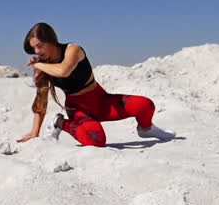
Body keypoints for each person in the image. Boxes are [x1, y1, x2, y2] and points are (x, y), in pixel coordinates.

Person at [17, 22, 175, 147]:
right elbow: (41, 100)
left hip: (101, 100)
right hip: (78, 108)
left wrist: (38, 65)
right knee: (96, 140)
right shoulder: (44, 67)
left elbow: (64, 70)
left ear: (51, 40)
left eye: (39, 45)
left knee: (145, 105)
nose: (37, 51)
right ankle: (59, 122)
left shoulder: (73, 50)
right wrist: (34, 132)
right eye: (33, 48)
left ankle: (146, 129)